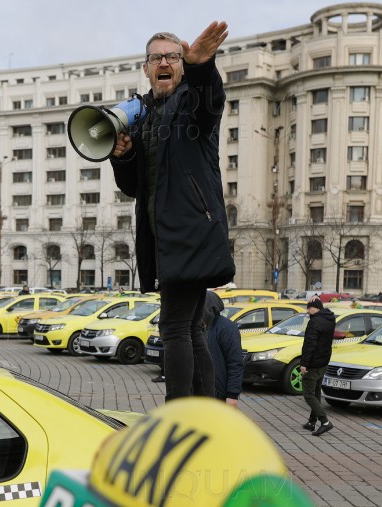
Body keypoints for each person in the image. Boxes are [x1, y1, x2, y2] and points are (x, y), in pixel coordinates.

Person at [110, 22, 235, 401]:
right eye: (156, 57)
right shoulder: (144, 115)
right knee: (192, 329)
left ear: (181, 66)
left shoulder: (190, 101)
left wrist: (202, 67)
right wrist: (125, 156)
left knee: (175, 328)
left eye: (171, 56)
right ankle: (204, 409)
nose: (163, 62)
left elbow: (210, 101)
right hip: (164, 236)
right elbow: (134, 187)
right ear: (146, 68)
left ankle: (179, 414)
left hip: (190, 233)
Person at [202, 291, 243, 408]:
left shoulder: (226, 328)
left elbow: (235, 363)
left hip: (219, 394)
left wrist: (232, 395)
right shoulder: (197, 328)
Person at [300, 298, 335, 436]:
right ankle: (311, 422)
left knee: (308, 394)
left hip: (313, 363)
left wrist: (304, 364)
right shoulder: (330, 319)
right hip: (323, 362)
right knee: (316, 392)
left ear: (316, 308)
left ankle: (324, 421)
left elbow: (310, 344)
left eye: (310, 308)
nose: (308, 311)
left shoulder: (314, 322)